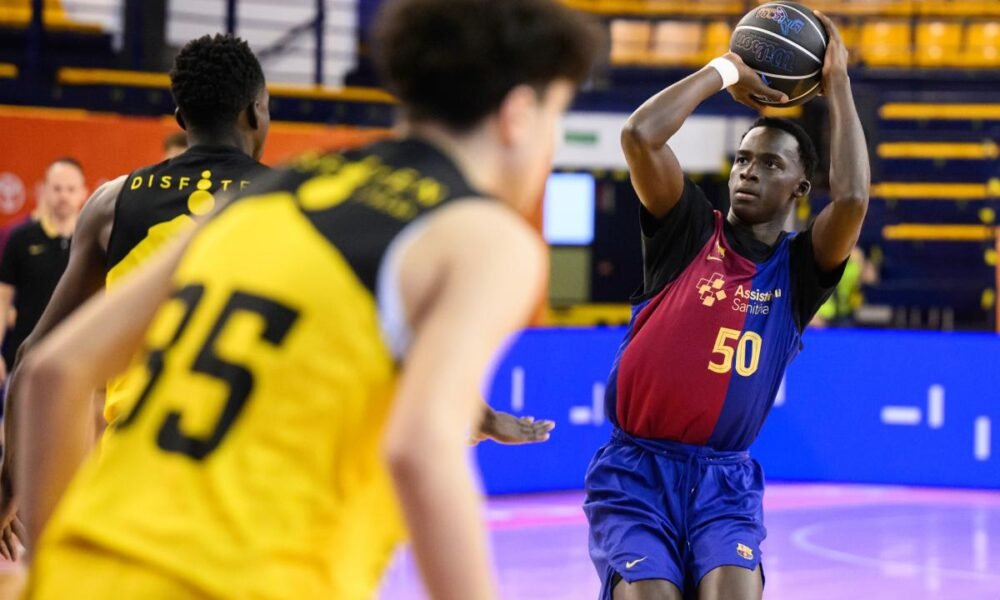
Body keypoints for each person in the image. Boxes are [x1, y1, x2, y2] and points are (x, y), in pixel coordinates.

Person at [15, 1, 601, 599]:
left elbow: (50, 371)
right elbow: (421, 450)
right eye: (557, 115)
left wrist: (51, 572)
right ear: (519, 114)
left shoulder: (273, 193)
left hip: (92, 565)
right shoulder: (488, 235)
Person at [584, 12, 868, 600]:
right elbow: (640, 136)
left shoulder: (798, 269)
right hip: (636, 473)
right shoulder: (688, 230)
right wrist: (727, 69)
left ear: (800, 188)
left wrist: (836, 80)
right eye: (742, 159)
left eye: (770, 164)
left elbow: (853, 199)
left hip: (723, 482)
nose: (748, 173)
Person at [0, 159, 88, 378]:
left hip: (78, 361)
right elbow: (2, 300)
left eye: (71, 189)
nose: (63, 196)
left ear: (83, 193)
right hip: (25, 360)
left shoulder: (94, 240)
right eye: (57, 188)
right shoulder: (21, 238)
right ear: (44, 190)